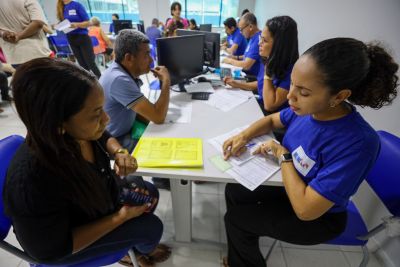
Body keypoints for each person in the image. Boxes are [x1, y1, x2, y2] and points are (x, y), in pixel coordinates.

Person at [221, 37, 399, 267]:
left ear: (339, 96)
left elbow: (306, 210)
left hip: (320, 217)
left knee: (236, 220)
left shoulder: (358, 143)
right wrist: (243, 136)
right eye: (292, 84)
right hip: (293, 187)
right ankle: (245, 242)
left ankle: (244, 256)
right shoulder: (308, 110)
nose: (289, 96)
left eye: (303, 92)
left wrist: (282, 154)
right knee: (235, 190)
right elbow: (274, 119)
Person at [4, 58, 172, 267]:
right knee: (151, 227)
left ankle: (131, 249)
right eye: (96, 114)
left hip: (97, 203)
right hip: (68, 242)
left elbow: (103, 136)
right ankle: (138, 253)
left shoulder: (78, 132)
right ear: (58, 124)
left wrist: (118, 151)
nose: (106, 119)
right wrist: (120, 217)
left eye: (102, 108)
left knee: (151, 194)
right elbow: (49, 251)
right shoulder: (33, 182)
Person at [224, 16, 299, 114]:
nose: (259, 43)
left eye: (265, 40)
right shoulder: (268, 58)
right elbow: (261, 84)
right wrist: (237, 84)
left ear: (279, 45)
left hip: (271, 115)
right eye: (260, 38)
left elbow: (269, 105)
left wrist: (267, 69)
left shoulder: (292, 71)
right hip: (260, 103)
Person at [56, 0, 101, 78]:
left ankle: (101, 81)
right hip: (71, 38)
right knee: (82, 65)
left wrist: (76, 25)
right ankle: (88, 83)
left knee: (90, 63)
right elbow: (63, 23)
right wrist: (58, 25)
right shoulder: (60, 7)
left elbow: (88, 23)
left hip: (82, 37)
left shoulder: (77, 5)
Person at [0, 0, 52, 66]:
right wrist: (19, 36)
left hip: (13, 57)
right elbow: (38, 23)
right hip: (37, 53)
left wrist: (3, 33)